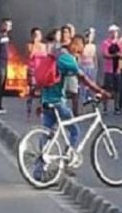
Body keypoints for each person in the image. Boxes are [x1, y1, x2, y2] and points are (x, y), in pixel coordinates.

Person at [36, 33, 109, 173]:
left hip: (46, 101)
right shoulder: (67, 58)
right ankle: (66, 163)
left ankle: (38, 172)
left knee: (46, 134)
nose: (81, 52)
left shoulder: (55, 55)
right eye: (81, 47)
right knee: (75, 131)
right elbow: (83, 78)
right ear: (75, 44)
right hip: (58, 102)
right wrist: (101, 91)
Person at [99, 25, 122, 113]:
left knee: (117, 89)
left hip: (117, 69)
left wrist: (119, 55)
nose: (114, 33)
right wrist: (115, 55)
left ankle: (116, 107)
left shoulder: (120, 43)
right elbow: (105, 54)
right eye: (112, 32)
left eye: (116, 32)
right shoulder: (106, 43)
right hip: (108, 69)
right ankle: (105, 107)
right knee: (107, 88)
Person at [25, 28, 46, 117]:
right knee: (32, 90)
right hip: (32, 69)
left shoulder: (44, 46)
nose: (37, 37)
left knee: (42, 91)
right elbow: (30, 56)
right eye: (35, 35)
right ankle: (29, 108)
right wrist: (35, 45)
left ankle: (40, 109)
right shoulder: (29, 45)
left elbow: (45, 56)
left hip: (41, 70)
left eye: (38, 35)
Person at [80, 28, 98, 105]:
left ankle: (91, 96)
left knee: (92, 82)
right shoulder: (82, 46)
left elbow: (94, 57)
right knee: (83, 83)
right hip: (83, 65)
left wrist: (96, 66)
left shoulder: (93, 46)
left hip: (91, 66)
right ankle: (83, 98)